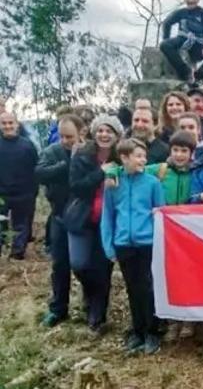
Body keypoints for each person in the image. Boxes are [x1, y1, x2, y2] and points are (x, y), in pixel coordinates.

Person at [100, 138, 164, 355]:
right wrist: (109, 246)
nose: (143, 160)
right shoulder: (113, 184)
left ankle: (153, 331)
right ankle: (137, 331)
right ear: (124, 158)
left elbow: (160, 213)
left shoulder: (152, 183)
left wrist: (158, 241)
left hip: (147, 243)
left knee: (148, 287)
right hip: (123, 243)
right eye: (138, 156)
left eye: (144, 156)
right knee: (132, 288)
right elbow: (107, 216)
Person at [68, 115, 124, 333]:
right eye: (100, 130)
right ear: (94, 132)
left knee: (103, 270)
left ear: (117, 135)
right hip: (82, 219)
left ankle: (97, 316)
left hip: (109, 222)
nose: (104, 135)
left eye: (109, 131)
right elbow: (77, 187)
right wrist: (100, 173)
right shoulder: (82, 156)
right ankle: (89, 294)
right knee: (79, 263)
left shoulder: (122, 158)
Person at [37, 114, 85, 327]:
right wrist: (67, 164)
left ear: (80, 134)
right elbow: (39, 173)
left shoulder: (87, 151)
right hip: (59, 215)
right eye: (63, 136)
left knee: (84, 265)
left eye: (71, 137)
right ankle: (58, 309)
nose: (66, 140)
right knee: (60, 264)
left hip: (83, 217)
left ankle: (90, 306)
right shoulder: (52, 152)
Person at [159, 0, 203, 84]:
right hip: (182, 40)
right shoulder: (181, 12)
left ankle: (198, 75)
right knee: (164, 45)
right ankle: (185, 71)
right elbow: (167, 23)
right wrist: (166, 38)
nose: (191, 1)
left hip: (198, 46)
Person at [0, 112, 39, 259]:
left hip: (23, 193)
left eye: (11, 123)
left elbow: (36, 168)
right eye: (4, 123)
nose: (8, 126)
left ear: (17, 124)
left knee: (21, 225)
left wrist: (33, 191)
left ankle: (17, 253)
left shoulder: (27, 145)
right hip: (1, 193)